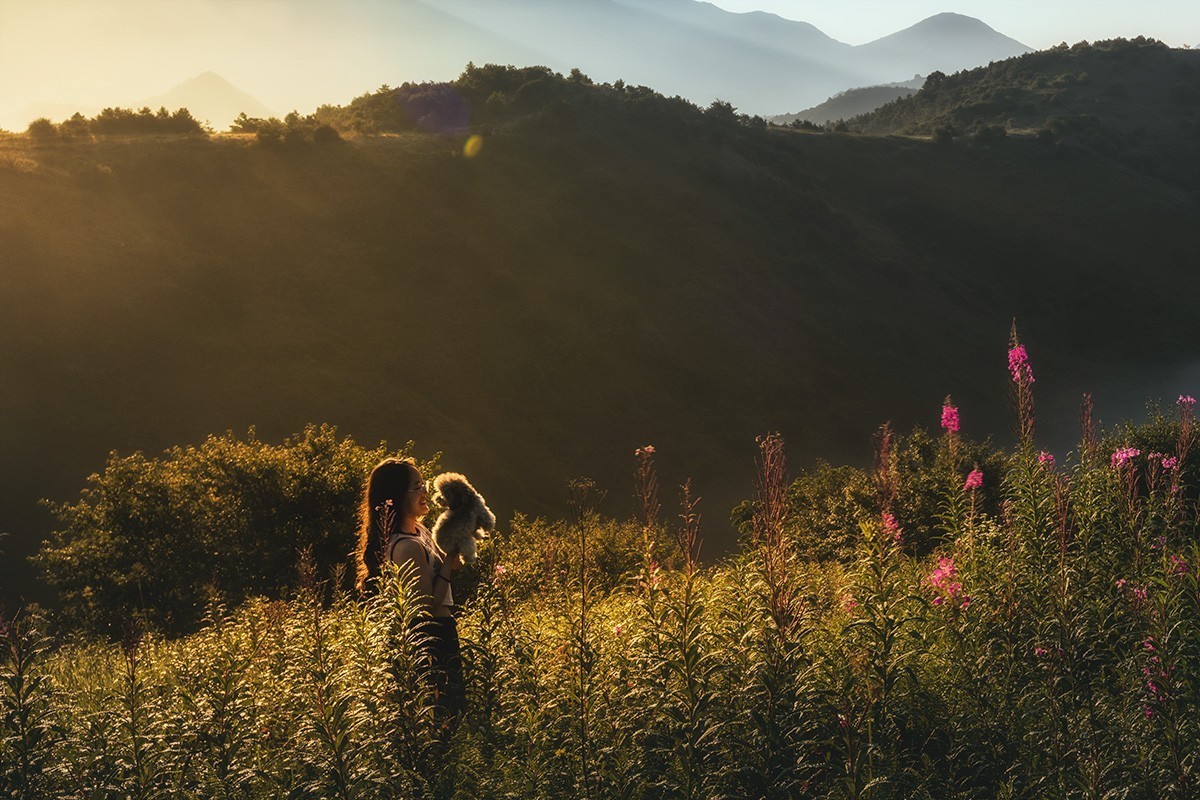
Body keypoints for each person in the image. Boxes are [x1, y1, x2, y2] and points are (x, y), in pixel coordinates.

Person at [354, 456, 465, 723]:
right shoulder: (407, 546)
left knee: (449, 715)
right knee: (442, 717)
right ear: (398, 495)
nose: (425, 492)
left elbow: (452, 564)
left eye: (423, 484)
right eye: (417, 487)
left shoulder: (420, 532)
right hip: (431, 637)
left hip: (442, 630)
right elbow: (425, 605)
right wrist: (449, 560)